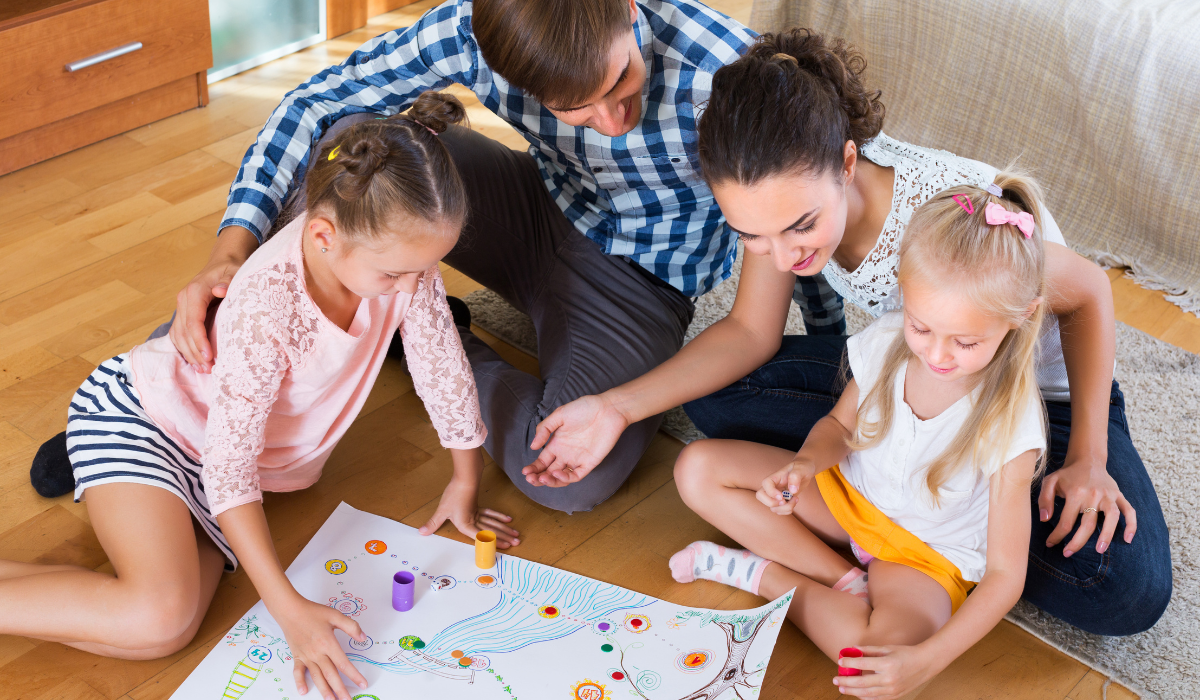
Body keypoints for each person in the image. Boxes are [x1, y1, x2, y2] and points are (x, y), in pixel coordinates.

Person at [524, 29, 1171, 635]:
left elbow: (1087, 292)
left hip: (1029, 399)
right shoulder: (781, 200)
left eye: (799, 226)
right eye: (752, 235)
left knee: (1123, 586)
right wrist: (614, 406)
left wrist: (1088, 457)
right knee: (712, 394)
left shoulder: (948, 217)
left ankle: (933, 537)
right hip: (912, 373)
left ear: (846, 161)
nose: (778, 254)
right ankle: (883, 522)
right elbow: (751, 331)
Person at [152, 0, 756, 514]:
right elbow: (313, 105)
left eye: (620, 80)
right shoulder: (476, 25)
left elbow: (818, 209)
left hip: (641, 277)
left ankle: (419, 341)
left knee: (571, 478)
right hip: (532, 204)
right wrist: (231, 248)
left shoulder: (726, 69)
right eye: (573, 107)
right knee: (348, 149)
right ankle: (193, 361)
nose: (611, 122)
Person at [6, 93, 516, 700]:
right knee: (159, 618)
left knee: (166, 627)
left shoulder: (397, 261)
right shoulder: (266, 306)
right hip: (150, 421)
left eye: (426, 268)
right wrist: (289, 610)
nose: (416, 287)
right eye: (397, 274)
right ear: (323, 236)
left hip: (220, 454)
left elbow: (440, 360)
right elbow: (228, 467)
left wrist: (464, 478)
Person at [672, 175, 1051, 697]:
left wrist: (927, 661)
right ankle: (841, 579)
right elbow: (838, 426)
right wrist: (805, 464)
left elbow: (1007, 576)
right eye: (922, 328)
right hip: (845, 498)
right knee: (696, 468)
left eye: (964, 341)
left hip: (921, 559)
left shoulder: (1012, 420)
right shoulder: (888, 340)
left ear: (1020, 316)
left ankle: (764, 577)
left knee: (867, 670)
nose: (936, 355)